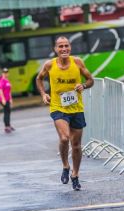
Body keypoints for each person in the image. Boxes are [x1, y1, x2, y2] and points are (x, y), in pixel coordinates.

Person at [36, 36, 94, 191]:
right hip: (58, 107)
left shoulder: (78, 62)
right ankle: (65, 165)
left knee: (76, 145)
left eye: (66, 46)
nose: (64, 49)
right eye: (60, 46)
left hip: (76, 108)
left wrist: (83, 85)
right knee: (64, 137)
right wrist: (43, 94)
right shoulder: (49, 65)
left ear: (70, 47)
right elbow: (39, 79)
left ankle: (75, 175)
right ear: (55, 49)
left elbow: (90, 80)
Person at [0, 68, 14, 133]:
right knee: (6, 112)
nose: (5, 74)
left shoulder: (7, 81)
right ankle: (6, 126)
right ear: (2, 74)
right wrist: (3, 99)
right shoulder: (1, 81)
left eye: (7, 73)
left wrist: (10, 99)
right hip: (3, 99)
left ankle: (8, 125)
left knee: (8, 111)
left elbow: (9, 91)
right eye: (4, 73)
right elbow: (0, 91)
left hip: (7, 99)